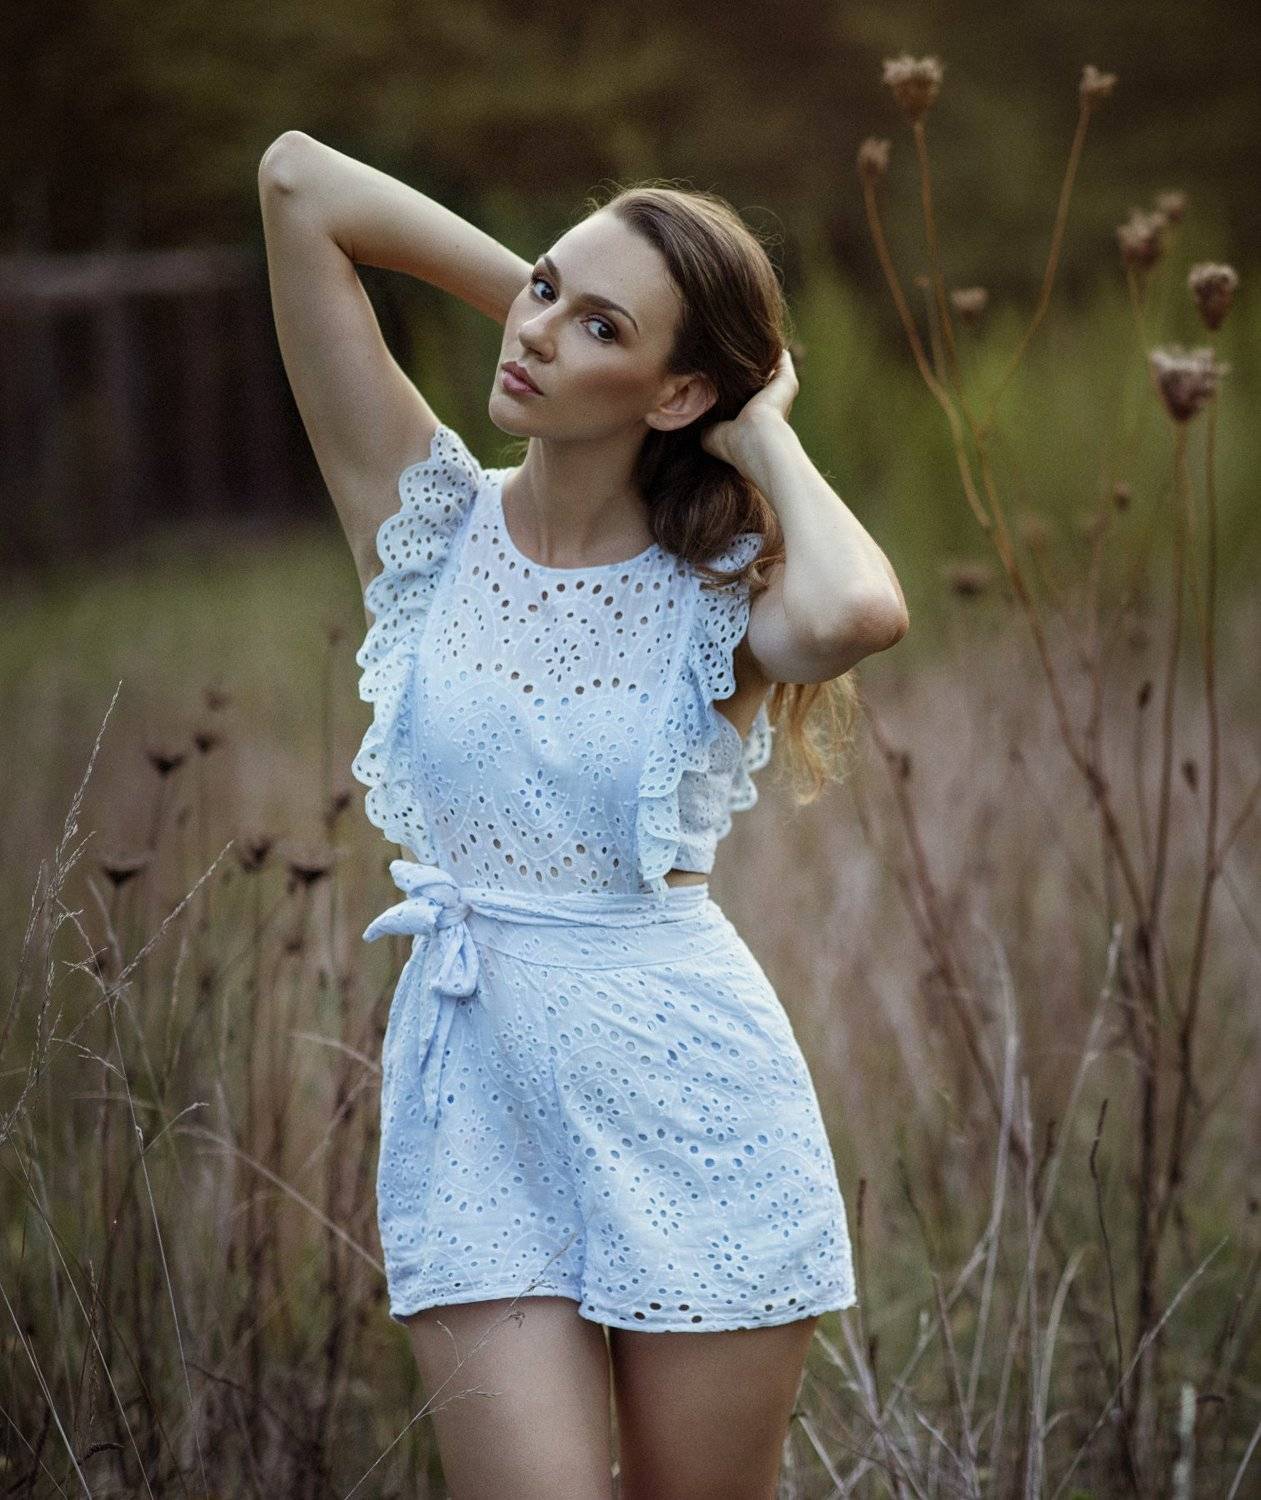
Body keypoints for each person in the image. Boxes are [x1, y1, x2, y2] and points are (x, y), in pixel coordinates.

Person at [258, 131, 909, 1500]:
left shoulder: (722, 588)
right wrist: (561, 311)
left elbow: (859, 612)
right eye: (545, 288)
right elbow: (298, 183)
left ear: (678, 392)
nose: (538, 331)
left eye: (599, 326)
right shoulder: (425, 521)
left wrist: (755, 422)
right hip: (470, 1099)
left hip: (692, 1104)